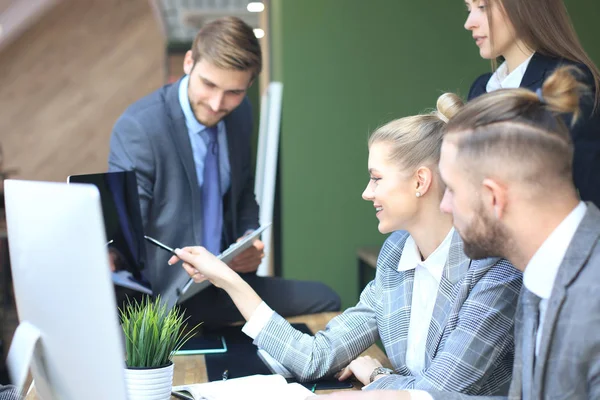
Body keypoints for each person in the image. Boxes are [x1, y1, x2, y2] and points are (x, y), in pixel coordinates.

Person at [169, 94, 522, 395]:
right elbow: (314, 357)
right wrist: (228, 279)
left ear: (420, 181)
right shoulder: (397, 255)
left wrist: (377, 375)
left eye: (376, 179)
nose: (367, 193)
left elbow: (431, 396)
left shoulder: (493, 270)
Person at [315, 67, 600, 400]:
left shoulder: (589, 290)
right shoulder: (546, 271)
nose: (445, 205)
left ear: (493, 197)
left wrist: (383, 386)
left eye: (451, 189)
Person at [108, 16, 340, 327]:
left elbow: (243, 192)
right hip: (165, 298)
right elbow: (127, 232)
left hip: (224, 283)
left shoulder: (240, 114)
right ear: (189, 62)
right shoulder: (140, 128)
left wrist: (248, 239)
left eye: (233, 92)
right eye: (209, 84)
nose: (218, 104)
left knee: (326, 297)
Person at [464, 0, 600, 208]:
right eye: (468, 8)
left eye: (482, 7)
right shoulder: (481, 89)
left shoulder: (565, 81)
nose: (469, 23)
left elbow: (591, 188)